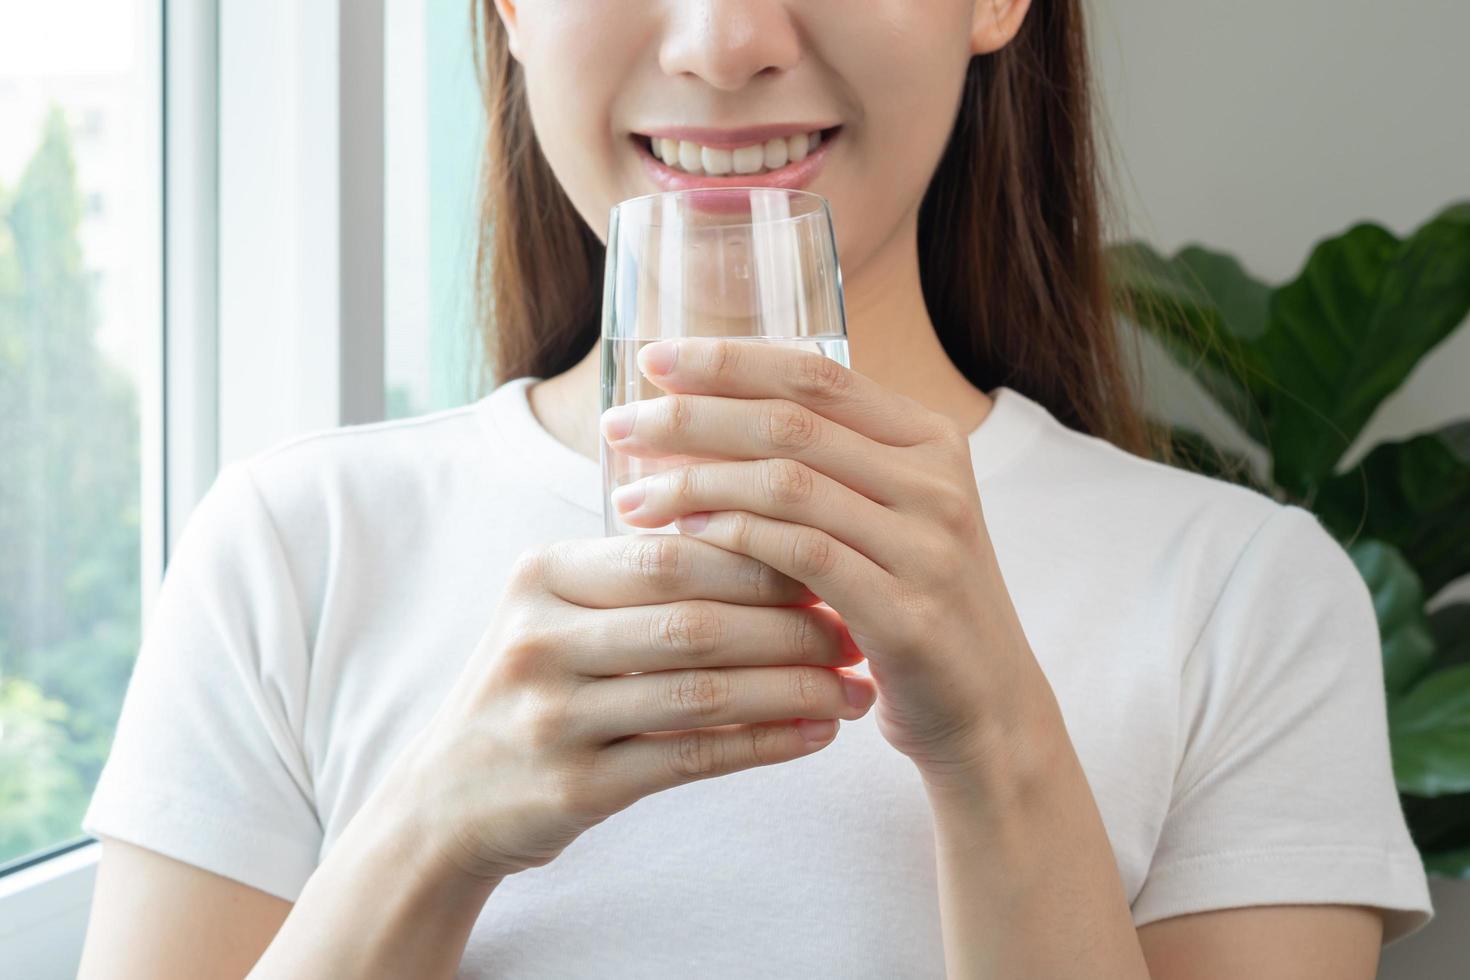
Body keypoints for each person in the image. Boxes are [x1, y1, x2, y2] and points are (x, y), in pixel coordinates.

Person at [78, 0, 1433, 976]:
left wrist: (995, 741)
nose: (724, 39)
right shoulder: (293, 546)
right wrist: (435, 829)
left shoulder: (1242, 593)